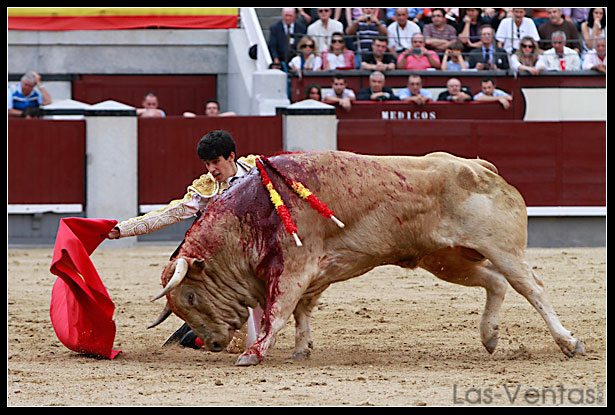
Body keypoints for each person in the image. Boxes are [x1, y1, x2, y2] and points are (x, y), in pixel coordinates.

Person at [108, 130, 263, 350]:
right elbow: (169, 213)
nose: (211, 169)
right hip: (225, 261)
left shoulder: (258, 169)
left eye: (215, 162)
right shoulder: (206, 190)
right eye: (207, 164)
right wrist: (121, 230)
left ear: (231, 156)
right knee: (240, 344)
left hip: (260, 250)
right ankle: (196, 334)